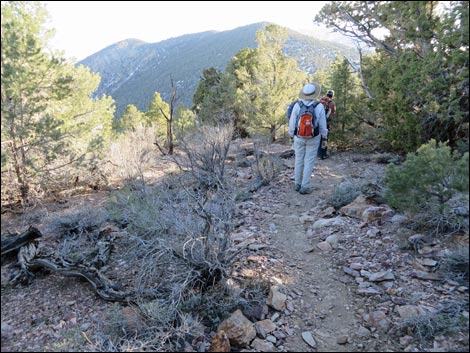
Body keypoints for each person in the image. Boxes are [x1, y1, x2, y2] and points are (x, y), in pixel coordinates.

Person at [288, 83, 328, 194]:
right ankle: (305, 187)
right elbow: (322, 125)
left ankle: (297, 184)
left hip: (298, 137)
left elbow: (292, 123)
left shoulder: (297, 105)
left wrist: (291, 135)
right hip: (313, 138)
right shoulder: (319, 106)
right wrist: (324, 138)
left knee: (298, 160)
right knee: (309, 161)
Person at [317, 90, 336, 159]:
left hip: (318, 123)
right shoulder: (332, 103)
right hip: (326, 123)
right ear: (332, 95)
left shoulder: (320, 101)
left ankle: (318, 154)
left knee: (318, 137)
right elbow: (333, 113)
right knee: (325, 138)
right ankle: (323, 154)